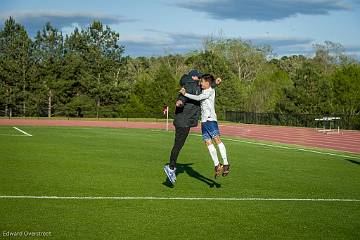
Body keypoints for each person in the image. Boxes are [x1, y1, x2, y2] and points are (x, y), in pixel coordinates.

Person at [179, 74, 230, 178]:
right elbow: (204, 81)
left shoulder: (210, 91)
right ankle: (217, 165)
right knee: (208, 142)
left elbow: (198, 98)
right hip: (204, 121)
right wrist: (197, 78)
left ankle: (226, 163)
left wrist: (185, 94)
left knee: (217, 140)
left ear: (207, 83)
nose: (200, 83)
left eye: (202, 82)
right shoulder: (204, 89)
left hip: (210, 120)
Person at [163, 70, 204, 184]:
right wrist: (180, 102)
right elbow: (182, 97)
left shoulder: (194, 85)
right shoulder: (189, 86)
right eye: (198, 77)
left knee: (178, 144)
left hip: (185, 120)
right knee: (178, 145)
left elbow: (207, 87)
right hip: (183, 121)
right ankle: (171, 168)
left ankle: (171, 167)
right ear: (193, 77)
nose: (200, 79)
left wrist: (215, 83)